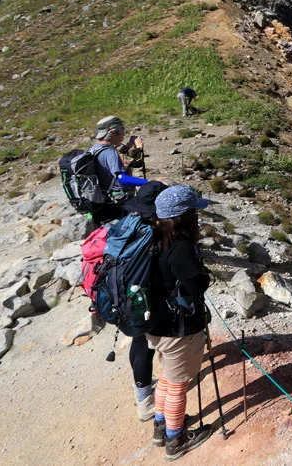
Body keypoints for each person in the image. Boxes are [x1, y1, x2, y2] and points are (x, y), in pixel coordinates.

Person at [148, 185, 214, 458]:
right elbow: (194, 285)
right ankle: (175, 440)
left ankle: (161, 426)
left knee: (167, 375)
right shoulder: (181, 247)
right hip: (178, 328)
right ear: (185, 216)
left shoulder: (153, 238)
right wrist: (205, 276)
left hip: (155, 323)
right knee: (178, 384)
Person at [118, 181, 168, 424]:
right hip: (141, 298)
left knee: (138, 343)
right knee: (144, 345)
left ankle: (140, 388)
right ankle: (145, 403)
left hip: (122, 295)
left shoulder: (128, 223)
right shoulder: (150, 233)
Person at [89, 116, 148, 230]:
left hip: (100, 203)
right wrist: (147, 182)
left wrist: (128, 146)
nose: (123, 135)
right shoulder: (110, 152)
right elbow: (122, 178)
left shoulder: (93, 150)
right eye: (122, 131)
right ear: (112, 132)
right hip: (118, 203)